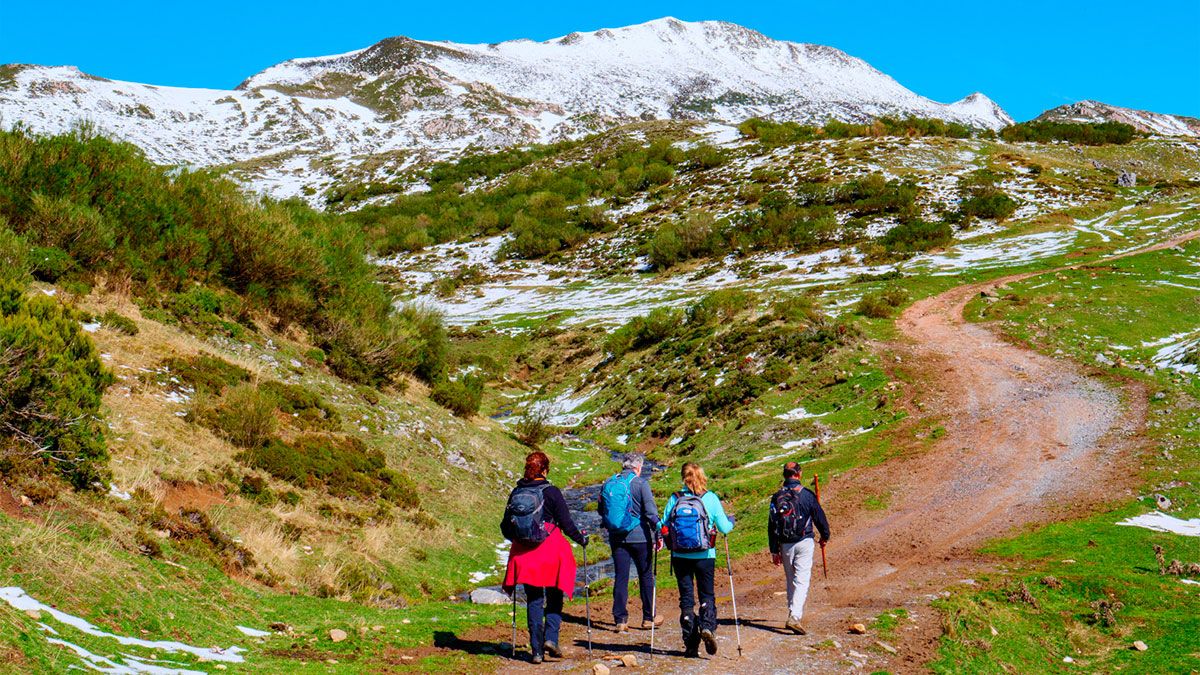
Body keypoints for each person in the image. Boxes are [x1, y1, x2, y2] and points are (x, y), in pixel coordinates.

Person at [501, 451, 587, 664]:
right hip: (551, 551)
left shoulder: (516, 492)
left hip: (524, 555)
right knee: (555, 597)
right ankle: (551, 638)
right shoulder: (552, 492)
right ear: (545, 470)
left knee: (534, 600)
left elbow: (505, 527)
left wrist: (520, 536)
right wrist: (581, 539)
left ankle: (536, 651)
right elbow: (566, 524)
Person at [659, 462, 735, 657]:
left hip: (680, 556)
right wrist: (731, 522)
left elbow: (663, 524)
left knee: (686, 598)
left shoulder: (675, 498)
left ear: (683, 477)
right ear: (702, 476)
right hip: (705, 555)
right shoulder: (710, 498)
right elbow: (725, 528)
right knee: (706, 594)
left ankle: (691, 643)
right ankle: (708, 626)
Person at [598, 452, 663, 633]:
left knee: (621, 576)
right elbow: (650, 513)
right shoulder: (641, 484)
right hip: (641, 537)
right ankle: (649, 618)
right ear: (638, 467)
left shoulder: (609, 483)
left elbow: (601, 510)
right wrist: (659, 532)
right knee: (645, 575)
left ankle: (620, 620)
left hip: (617, 537)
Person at [767, 461, 830, 635]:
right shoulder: (807, 495)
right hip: (804, 541)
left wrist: (774, 550)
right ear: (799, 474)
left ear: (784, 475)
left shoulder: (777, 496)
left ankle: (792, 611)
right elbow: (820, 518)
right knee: (801, 580)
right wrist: (825, 536)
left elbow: (771, 524)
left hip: (784, 544)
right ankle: (794, 616)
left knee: (790, 580)